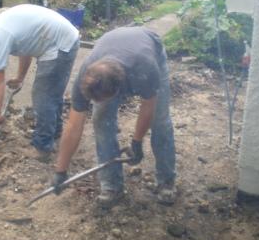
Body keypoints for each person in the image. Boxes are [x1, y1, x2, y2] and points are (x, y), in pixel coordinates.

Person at [52, 26, 177, 206]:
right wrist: (60, 170)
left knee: (160, 121)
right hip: (113, 52)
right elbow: (73, 125)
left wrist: (137, 141)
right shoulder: (86, 76)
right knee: (101, 120)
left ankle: (166, 180)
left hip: (150, 48)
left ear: (119, 90)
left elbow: (148, 106)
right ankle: (111, 185)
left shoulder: (144, 69)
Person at [0, 4, 80, 161]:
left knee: (43, 97)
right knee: (52, 94)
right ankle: (55, 134)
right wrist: (20, 77)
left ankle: (43, 148)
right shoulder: (1, 25)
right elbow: (26, 49)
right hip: (64, 40)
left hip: (59, 46)